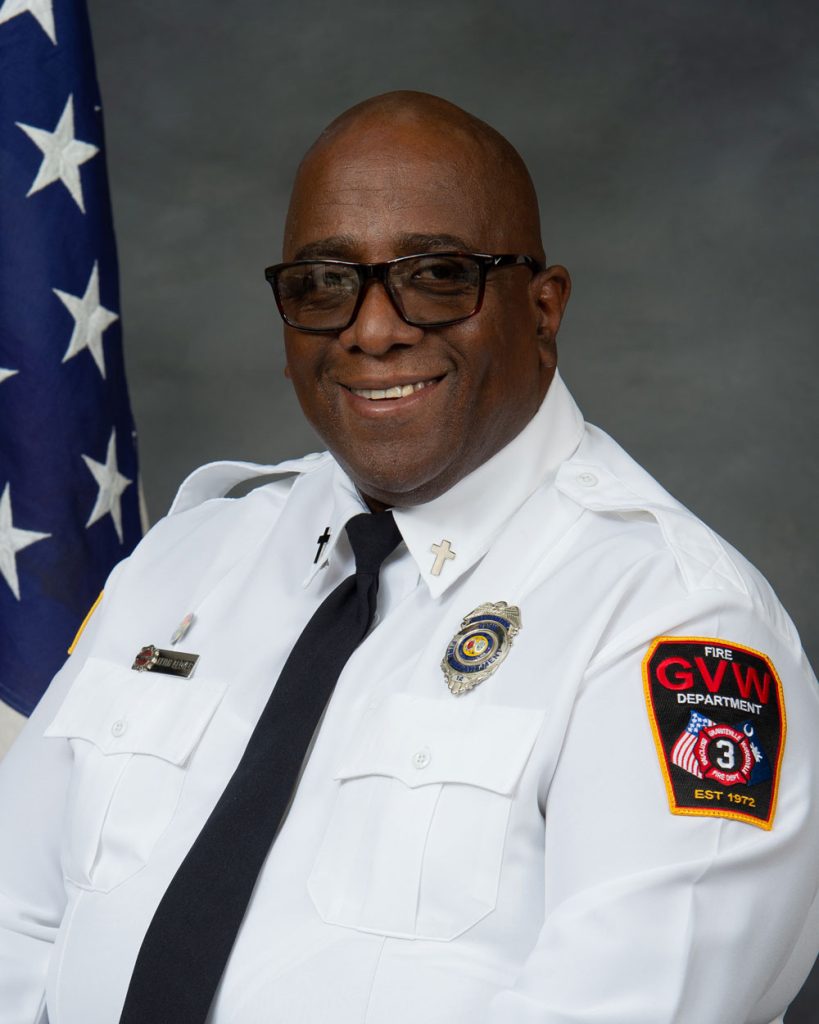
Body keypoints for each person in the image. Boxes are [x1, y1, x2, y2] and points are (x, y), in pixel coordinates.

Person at [0, 91, 817, 1024]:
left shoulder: (672, 626)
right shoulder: (185, 560)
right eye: (322, 283)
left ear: (542, 308)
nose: (373, 328)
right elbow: (13, 924)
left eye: (436, 276)